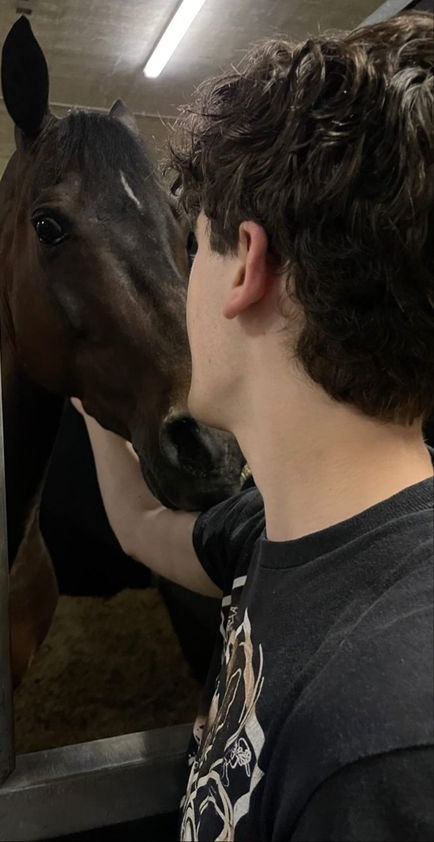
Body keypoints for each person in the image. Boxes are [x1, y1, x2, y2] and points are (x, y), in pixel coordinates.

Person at [73, 11, 434, 841]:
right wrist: (94, 391)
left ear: (247, 263)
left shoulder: (387, 751)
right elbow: (137, 527)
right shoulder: (273, 526)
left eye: (190, 250)